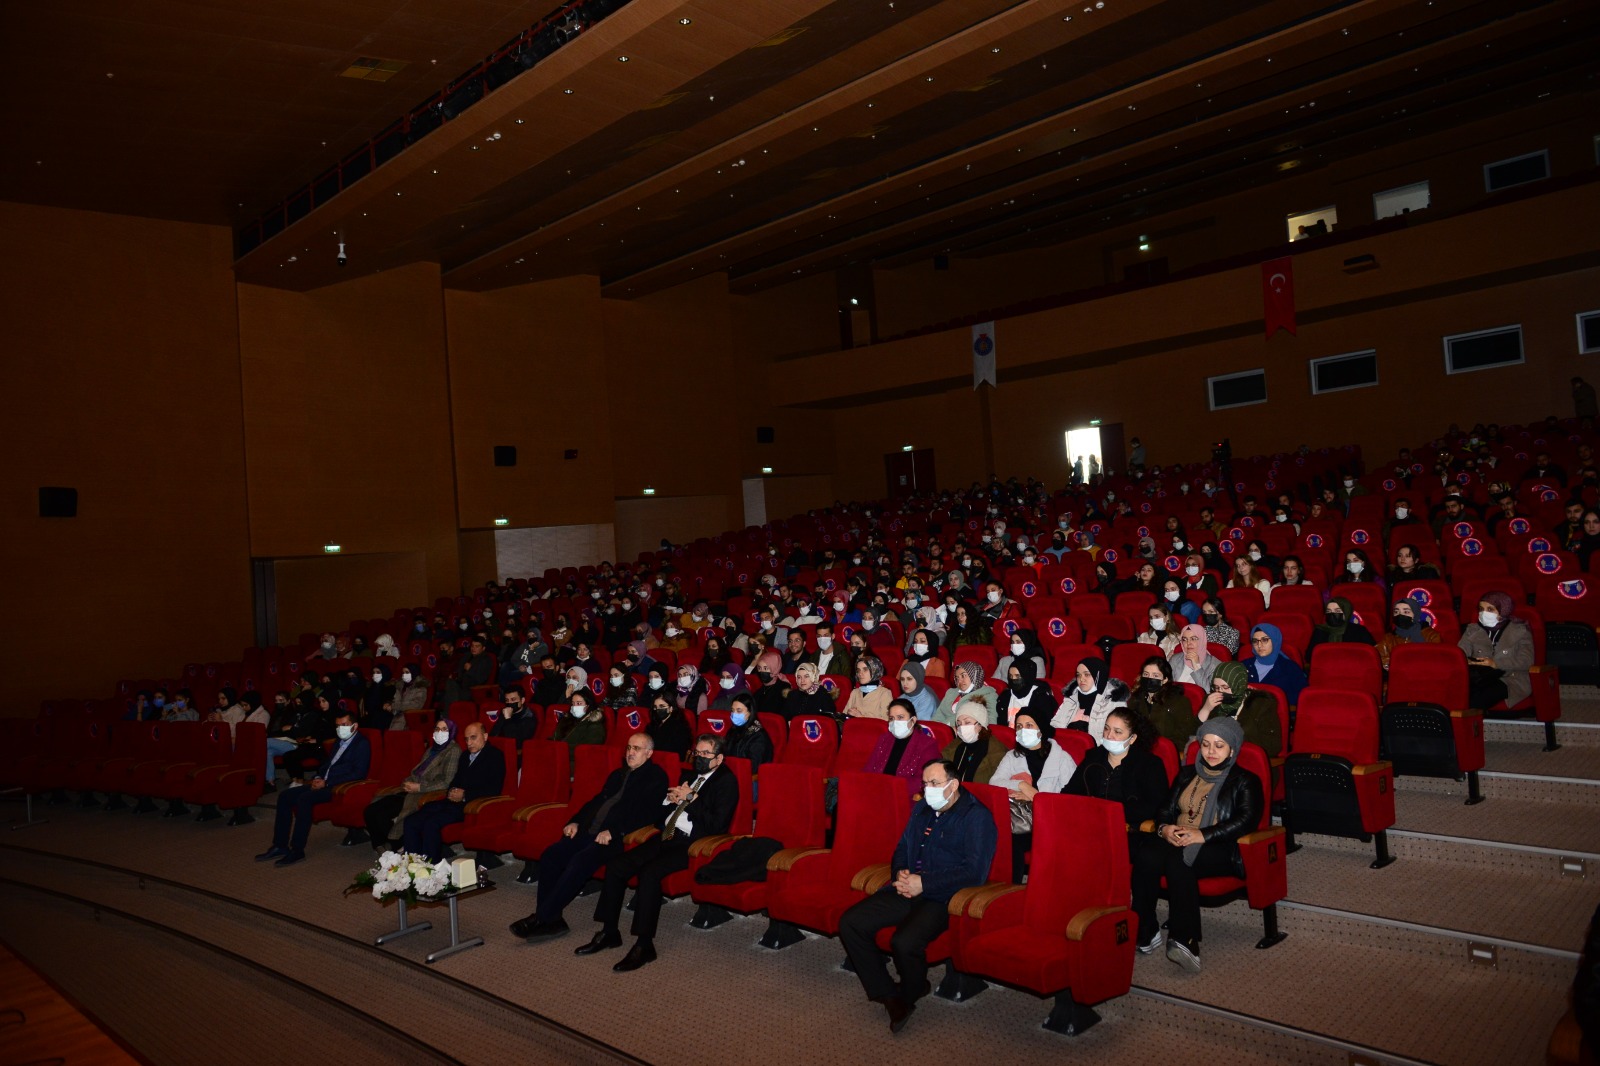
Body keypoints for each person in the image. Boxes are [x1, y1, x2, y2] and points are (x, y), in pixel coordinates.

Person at [838, 758, 998, 1034]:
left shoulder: (976, 816)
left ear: (953, 785)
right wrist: (900, 873)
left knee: (905, 941)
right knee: (851, 922)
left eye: (934, 783)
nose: (928, 789)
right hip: (907, 887)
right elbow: (902, 846)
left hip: (943, 896)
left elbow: (975, 872)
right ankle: (888, 995)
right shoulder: (923, 807)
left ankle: (911, 992)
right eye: (925, 784)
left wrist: (923, 883)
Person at [576, 734, 739, 972]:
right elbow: (662, 816)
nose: (700, 758)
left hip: (692, 844)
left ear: (719, 758)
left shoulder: (726, 782)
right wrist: (668, 800)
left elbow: (717, 825)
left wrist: (691, 799)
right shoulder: (689, 775)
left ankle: (644, 945)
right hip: (667, 836)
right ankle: (609, 931)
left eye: (706, 754)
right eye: (698, 753)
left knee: (649, 873)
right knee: (617, 865)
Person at [1132, 717, 1263, 972]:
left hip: (1221, 846)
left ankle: (1186, 941)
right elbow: (1165, 810)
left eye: (1219, 746)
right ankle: (1146, 930)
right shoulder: (1186, 774)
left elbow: (1246, 821)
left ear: (1232, 749)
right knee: (1146, 854)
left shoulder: (1245, 780)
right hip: (1180, 838)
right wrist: (1165, 828)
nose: (1211, 752)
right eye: (1206, 744)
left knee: (1179, 861)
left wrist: (1203, 835)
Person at [509, 734, 669, 935]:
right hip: (590, 830)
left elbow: (648, 814)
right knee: (551, 855)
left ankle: (541, 917)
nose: (630, 752)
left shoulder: (655, 777)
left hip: (616, 838)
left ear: (649, 753)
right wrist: (575, 821)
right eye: (628, 748)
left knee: (579, 861)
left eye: (636, 748)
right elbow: (596, 802)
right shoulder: (618, 774)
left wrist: (615, 831)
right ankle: (552, 918)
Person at [255, 708, 371, 867]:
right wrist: (317, 777)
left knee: (304, 799)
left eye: (344, 725)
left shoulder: (361, 744)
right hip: (323, 782)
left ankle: (297, 850)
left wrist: (327, 782)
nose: (340, 729)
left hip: (339, 786)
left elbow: (358, 773)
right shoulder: (338, 741)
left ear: (354, 726)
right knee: (285, 796)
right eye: (337, 726)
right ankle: (279, 846)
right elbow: (327, 765)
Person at [401, 722, 507, 862]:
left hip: (472, 806)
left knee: (431, 823)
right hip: (451, 801)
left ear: (485, 736)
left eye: (473, 737)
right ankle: (412, 865)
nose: (469, 742)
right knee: (412, 820)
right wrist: (452, 791)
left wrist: (464, 795)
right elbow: (454, 781)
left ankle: (431, 867)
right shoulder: (464, 756)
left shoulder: (495, 756)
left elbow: (493, 789)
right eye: (466, 739)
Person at [989, 713, 1075, 882]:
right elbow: (994, 781)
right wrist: (1022, 785)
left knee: (1016, 841)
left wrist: (1036, 798)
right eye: (1019, 727)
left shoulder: (1062, 758)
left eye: (1029, 725)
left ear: (1041, 730)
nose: (1023, 730)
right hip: (1020, 820)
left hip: (1050, 820)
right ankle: (1004, 888)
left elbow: (1070, 799)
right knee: (1004, 836)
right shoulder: (1012, 756)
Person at [1064, 706, 1170, 834]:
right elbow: (1070, 791)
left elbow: (1153, 806)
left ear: (1132, 738)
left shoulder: (1150, 764)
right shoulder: (1093, 757)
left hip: (1127, 829)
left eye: (1117, 732)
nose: (1109, 736)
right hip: (1089, 823)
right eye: (1106, 729)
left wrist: (1110, 813)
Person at [359, 718, 462, 850]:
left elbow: (447, 782)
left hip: (426, 793)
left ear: (451, 732)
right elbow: (418, 772)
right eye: (437, 729)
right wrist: (407, 782)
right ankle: (384, 846)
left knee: (382, 815)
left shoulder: (453, 750)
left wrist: (419, 787)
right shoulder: (432, 749)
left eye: (444, 729)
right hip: (410, 789)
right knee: (371, 810)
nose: (439, 732)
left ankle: (394, 844)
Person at [1459, 592, 1534, 710]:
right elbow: (1460, 653)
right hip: (1480, 676)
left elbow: (1526, 661)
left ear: (1503, 610)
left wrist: (1495, 663)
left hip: (1510, 678)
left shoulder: (1520, 631)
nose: (1484, 613)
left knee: (1476, 700)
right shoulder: (1472, 630)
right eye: (1481, 609)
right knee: (1459, 694)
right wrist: (1466, 661)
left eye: (1490, 609)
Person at [1198, 661, 1281, 759]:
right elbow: (1195, 736)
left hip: (1247, 760)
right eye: (1216, 687)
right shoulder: (1212, 701)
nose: (1220, 692)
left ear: (1239, 685)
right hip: (1214, 760)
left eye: (1225, 687)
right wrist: (1205, 710)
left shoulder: (1260, 704)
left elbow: (1272, 747)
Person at [861, 699, 944, 797]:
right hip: (876, 791)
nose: (895, 722)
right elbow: (869, 769)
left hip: (904, 796)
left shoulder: (927, 744)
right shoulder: (884, 739)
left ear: (913, 720)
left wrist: (890, 787)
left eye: (900, 717)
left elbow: (922, 781)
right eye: (892, 718)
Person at [1133, 655, 1200, 750]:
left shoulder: (1179, 701)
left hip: (1166, 750)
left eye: (1155, 676)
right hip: (1138, 748)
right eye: (1146, 674)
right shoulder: (1136, 698)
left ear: (1165, 680)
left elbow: (1184, 735)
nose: (1149, 679)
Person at [1050, 658, 1117, 739]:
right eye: (1078, 675)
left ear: (1099, 676)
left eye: (1087, 674)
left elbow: (1113, 738)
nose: (1081, 679)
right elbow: (1055, 728)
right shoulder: (1071, 698)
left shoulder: (1114, 702)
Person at [1244, 623, 1307, 706]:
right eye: (1255, 641)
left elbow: (1301, 700)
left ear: (1275, 640)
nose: (1259, 645)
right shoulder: (1242, 666)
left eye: (1264, 640)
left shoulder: (1291, 668)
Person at [941, 704, 1006, 784]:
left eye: (967, 722)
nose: (962, 727)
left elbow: (997, 783)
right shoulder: (955, 745)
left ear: (981, 724)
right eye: (959, 724)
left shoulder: (996, 750)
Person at [1375, 598, 1441, 670]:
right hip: (1398, 677)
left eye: (1406, 612)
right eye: (1396, 612)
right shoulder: (1389, 638)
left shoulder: (1431, 635)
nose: (1400, 615)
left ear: (1415, 614)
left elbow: (1435, 661)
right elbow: (1377, 657)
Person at [553, 689, 607, 767]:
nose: (575, 707)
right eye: (573, 704)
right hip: (558, 759)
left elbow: (586, 751)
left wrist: (559, 750)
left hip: (576, 765)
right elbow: (555, 738)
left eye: (579, 703)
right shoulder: (566, 720)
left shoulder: (595, 726)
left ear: (588, 705)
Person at [933, 661, 996, 725]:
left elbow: (991, 723)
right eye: (957, 678)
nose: (959, 681)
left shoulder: (988, 695)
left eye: (963, 676)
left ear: (974, 675)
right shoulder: (951, 692)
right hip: (944, 731)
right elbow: (938, 716)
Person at [723, 693, 775, 772]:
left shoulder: (759, 736)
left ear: (750, 712)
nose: (734, 714)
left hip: (749, 778)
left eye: (739, 711)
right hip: (730, 773)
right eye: (732, 711)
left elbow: (753, 767)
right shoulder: (733, 731)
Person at [999, 658, 1055, 727]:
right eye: (1010, 676)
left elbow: (1044, 725)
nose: (1013, 679)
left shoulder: (1041, 697)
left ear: (1027, 676)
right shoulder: (1005, 696)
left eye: (1017, 676)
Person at [1308, 596, 1376, 652]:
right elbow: (1310, 656)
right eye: (1329, 611)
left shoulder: (1359, 631)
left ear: (1346, 611)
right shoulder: (1319, 631)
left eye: (1337, 611)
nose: (1332, 614)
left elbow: (1370, 654)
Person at [1168, 624, 1220, 690]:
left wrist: (1196, 666)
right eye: (1184, 639)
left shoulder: (1215, 665)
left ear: (1202, 640)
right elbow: (1166, 686)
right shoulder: (1175, 659)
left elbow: (1207, 692)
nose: (1188, 643)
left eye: (1193, 639)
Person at [844, 655, 894, 719]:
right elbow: (844, 716)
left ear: (875, 671)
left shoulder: (884, 693)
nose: (860, 673)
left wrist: (861, 716)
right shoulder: (855, 692)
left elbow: (887, 721)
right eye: (858, 670)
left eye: (865, 670)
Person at [646, 692, 692, 760]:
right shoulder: (652, 725)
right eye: (655, 707)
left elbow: (678, 754)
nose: (658, 709)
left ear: (671, 708)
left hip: (668, 762)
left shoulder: (680, 728)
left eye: (662, 706)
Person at [491, 688, 539, 752]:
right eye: (507, 700)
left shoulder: (529, 717)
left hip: (515, 752)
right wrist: (503, 718)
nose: (509, 703)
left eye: (513, 699)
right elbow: (493, 735)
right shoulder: (505, 712)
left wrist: (508, 719)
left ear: (522, 700)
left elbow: (516, 742)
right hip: (500, 748)